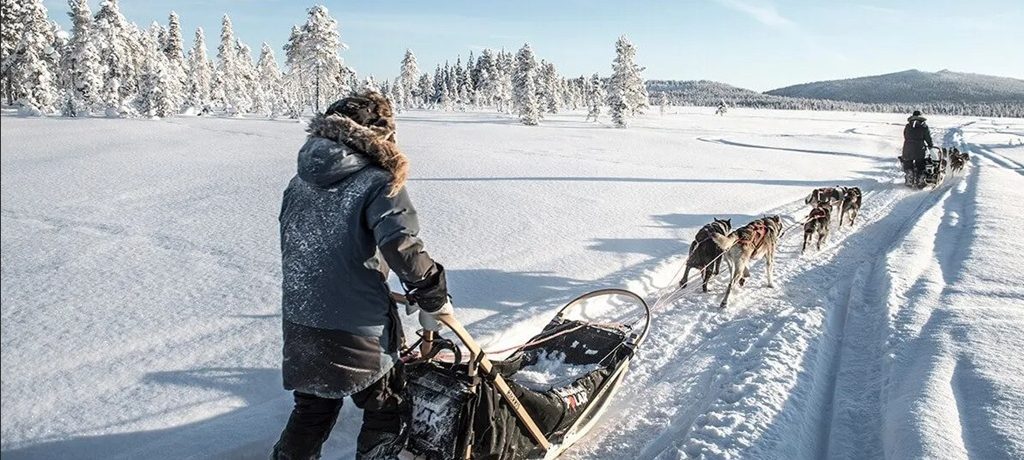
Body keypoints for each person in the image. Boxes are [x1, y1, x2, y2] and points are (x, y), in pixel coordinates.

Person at [273, 90, 454, 460]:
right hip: (359, 331)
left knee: (311, 411)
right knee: (386, 408)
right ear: (381, 135)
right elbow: (402, 247)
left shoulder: (299, 182)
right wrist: (432, 288)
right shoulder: (378, 182)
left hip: (301, 323)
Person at [901, 110, 934, 185]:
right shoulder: (924, 126)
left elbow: (905, 135)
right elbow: (927, 138)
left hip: (907, 147)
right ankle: (920, 179)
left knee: (908, 162)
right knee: (920, 164)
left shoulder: (908, 126)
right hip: (919, 148)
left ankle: (909, 175)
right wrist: (930, 145)